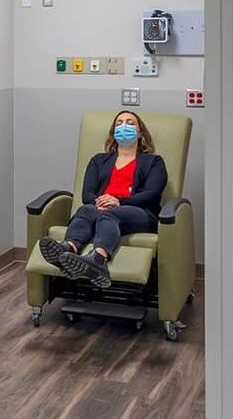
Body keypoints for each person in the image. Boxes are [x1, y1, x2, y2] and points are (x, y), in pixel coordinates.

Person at [38, 111, 168, 289]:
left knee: (109, 214)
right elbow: (87, 195)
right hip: (100, 208)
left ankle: (98, 259)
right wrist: (102, 202)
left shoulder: (153, 162)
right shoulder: (98, 160)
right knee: (85, 210)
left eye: (130, 123)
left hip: (140, 212)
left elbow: (152, 193)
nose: (124, 126)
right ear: (114, 132)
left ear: (140, 132)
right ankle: (67, 249)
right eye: (119, 123)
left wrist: (118, 201)